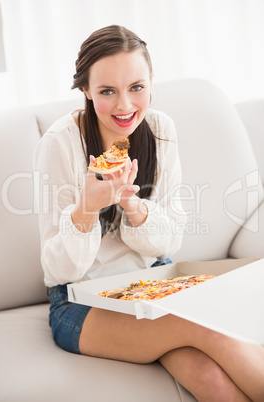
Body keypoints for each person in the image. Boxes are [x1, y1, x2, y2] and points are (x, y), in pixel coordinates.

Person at [34, 25, 264, 401]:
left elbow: (169, 240)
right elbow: (58, 271)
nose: (125, 106)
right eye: (107, 91)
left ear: (152, 83)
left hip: (153, 281)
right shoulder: (59, 144)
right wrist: (87, 208)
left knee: (210, 377)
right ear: (86, 91)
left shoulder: (160, 129)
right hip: (80, 303)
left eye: (136, 88)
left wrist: (133, 206)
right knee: (212, 327)